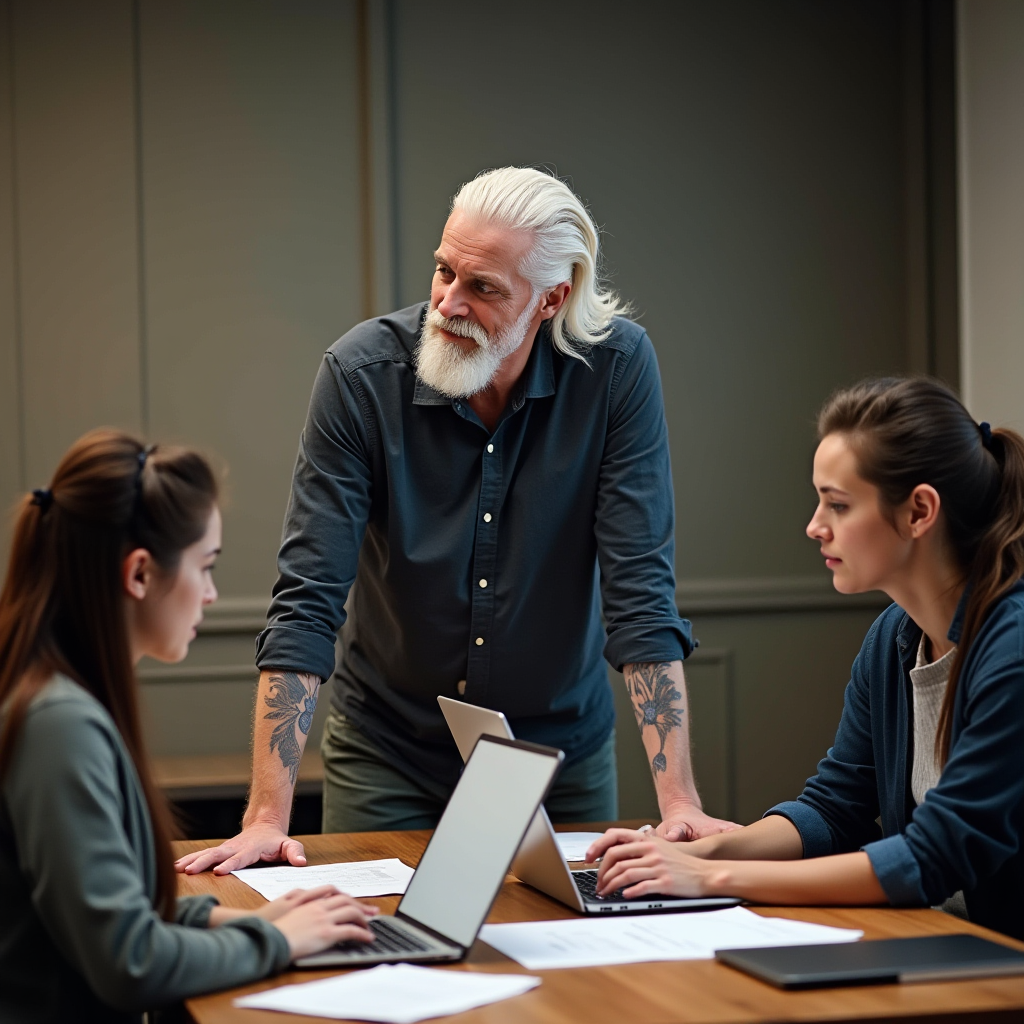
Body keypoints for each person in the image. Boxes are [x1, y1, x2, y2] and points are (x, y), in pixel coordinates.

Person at [176, 166, 739, 878]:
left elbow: (641, 595)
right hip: (390, 753)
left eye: (483, 288)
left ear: (551, 299)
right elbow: (307, 601)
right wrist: (266, 819)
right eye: (445, 270)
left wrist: (680, 802)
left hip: (555, 757)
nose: (448, 302)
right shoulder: (361, 376)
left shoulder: (616, 372)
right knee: (375, 957)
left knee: (574, 963)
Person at [586, 377, 1024, 939]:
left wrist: (712, 876)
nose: (814, 526)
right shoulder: (893, 637)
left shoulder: (1010, 649)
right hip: (944, 942)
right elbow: (836, 808)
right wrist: (693, 850)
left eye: (838, 505)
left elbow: (930, 858)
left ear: (919, 512)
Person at [0, 430, 376, 1023]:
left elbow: (132, 912)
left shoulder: (63, 699)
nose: (211, 594)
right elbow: (129, 958)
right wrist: (279, 943)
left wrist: (266, 920)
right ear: (141, 574)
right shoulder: (59, 726)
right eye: (204, 567)